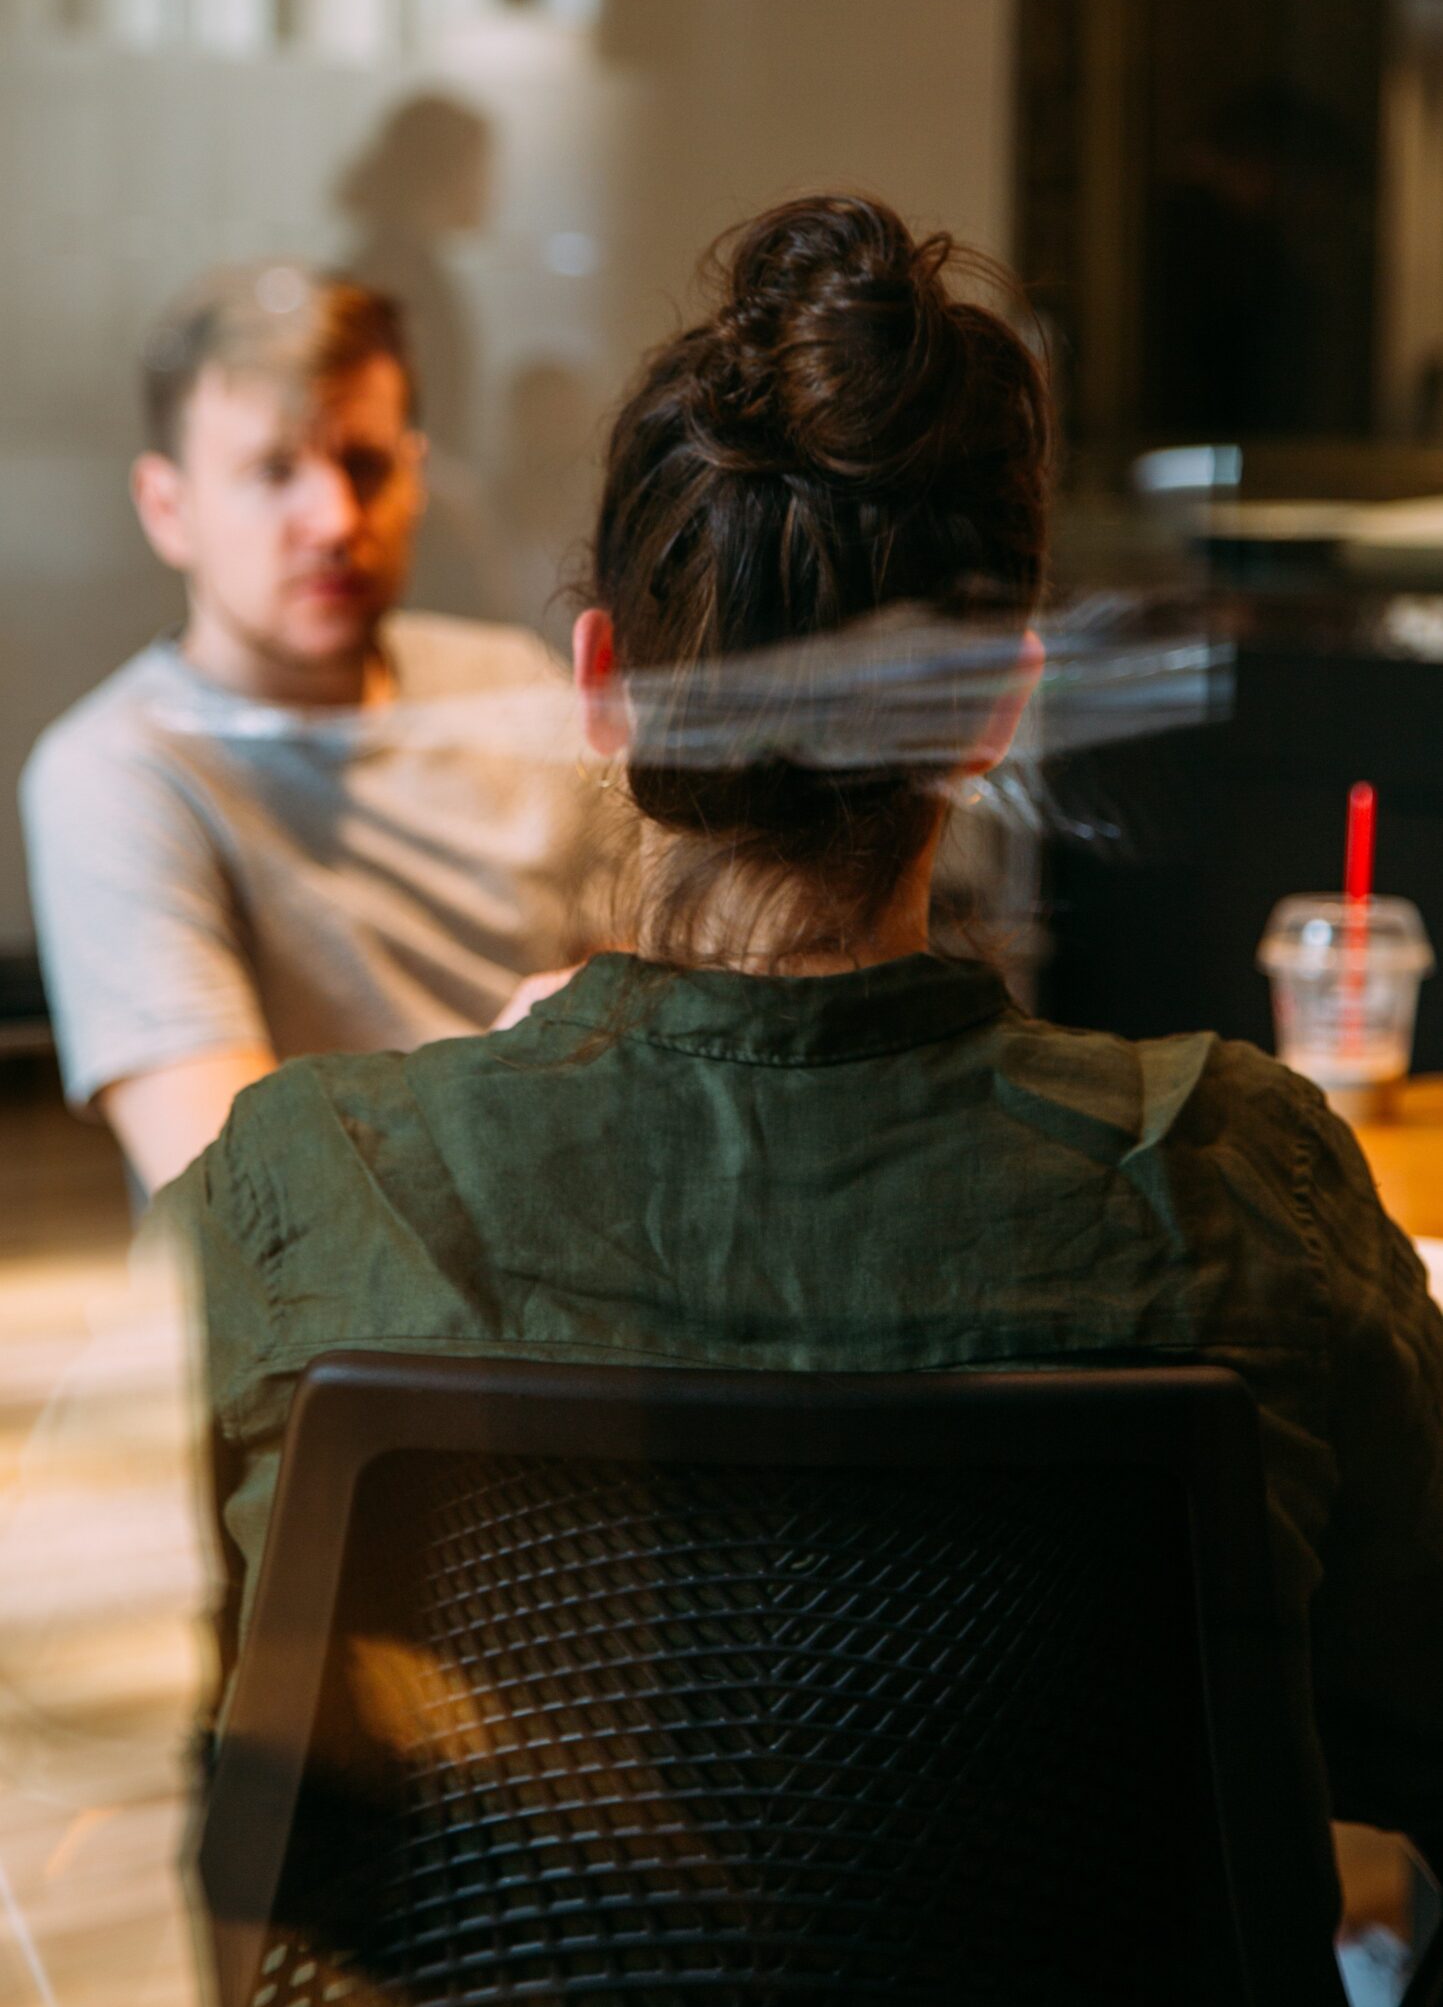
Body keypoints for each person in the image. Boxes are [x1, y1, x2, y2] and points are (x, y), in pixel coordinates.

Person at [160, 195, 1443, 1905]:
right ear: (995, 704)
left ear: (602, 686)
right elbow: (1405, 1736)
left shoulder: (303, 1191)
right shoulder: (1239, 1187)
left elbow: (271, 1824)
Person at [21, 264, 610, 1197]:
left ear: (416, 478)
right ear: (167, 509)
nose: (334, 520)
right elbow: (238, 1193)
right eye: (272, 472)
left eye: (365, 465)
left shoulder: (515, 686)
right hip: (329, 1334)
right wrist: (512, 1078)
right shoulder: (117, 771)